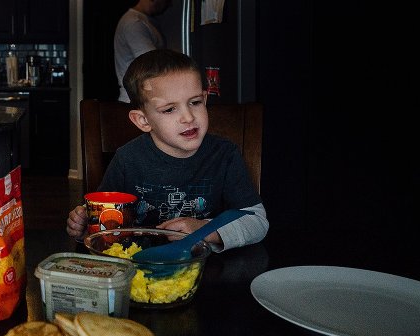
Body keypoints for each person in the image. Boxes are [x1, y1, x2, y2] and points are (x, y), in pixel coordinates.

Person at [66, 48, 269, 252]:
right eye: (170, 109)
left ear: (205, 100)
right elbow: (103, 221)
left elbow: (257, 222)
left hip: (204, 269)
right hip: (137, 268)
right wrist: (86, 228)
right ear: (143, 121)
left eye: (195, 102)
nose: (188, 117)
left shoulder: (224, 155)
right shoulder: (128, 159)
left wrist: (204, 229)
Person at [114, 0, 172, 103]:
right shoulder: (133, 22)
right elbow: (151, 62)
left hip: (144, 96)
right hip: (135, 98)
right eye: (166, 1)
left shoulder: (144, 20)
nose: (168, 5)